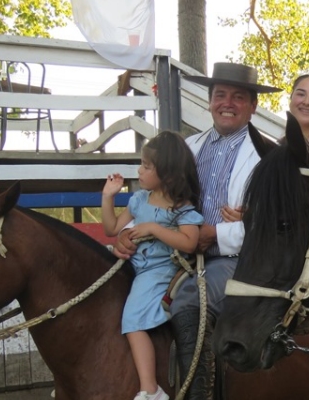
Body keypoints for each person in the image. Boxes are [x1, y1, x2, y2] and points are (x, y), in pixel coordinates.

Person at [113, 62, 281, 399]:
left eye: (238, 97)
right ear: (209, 101)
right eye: (220, 95)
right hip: (174, 254)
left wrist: (217, 234)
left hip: (234, 258)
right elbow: (158, 198)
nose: (227, 103)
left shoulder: (271, 156)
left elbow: (276, 227)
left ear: (253, 105)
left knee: (190, 301)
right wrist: (127, 232)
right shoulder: (189, 147)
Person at [102, 130, 204, 400]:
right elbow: (111, 228)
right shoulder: (139, 200)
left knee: (132, 322)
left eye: (147, 166)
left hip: (159, 272)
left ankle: (150, 389)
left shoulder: (181, 209)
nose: (140, 171)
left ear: (168, 175)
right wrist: (108, 196)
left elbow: (189, 242)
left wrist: (154, 229)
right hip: (134, 266)